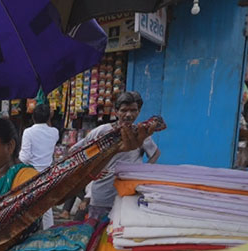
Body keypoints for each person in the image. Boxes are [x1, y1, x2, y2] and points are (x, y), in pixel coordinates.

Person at [73, 91, 160, 220]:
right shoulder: (101, 131)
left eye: (133, 110)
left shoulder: (141, 133)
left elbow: (155, 153)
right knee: (98, 232)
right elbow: (76, 151)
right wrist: (90, 171)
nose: (129, 115)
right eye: (124, 110)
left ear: (139, 111)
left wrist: (142, 172)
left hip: (129, 194)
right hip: (102, 195)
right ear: (116, 111)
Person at [20, 103, 60, 229]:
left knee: (28, 206)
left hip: (31, 174)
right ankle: (49, 232)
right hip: (48, 173)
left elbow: (24, 157)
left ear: (33, 117)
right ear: (49, 118)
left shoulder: (28, 132)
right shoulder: (54, 132)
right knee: (46, 207)